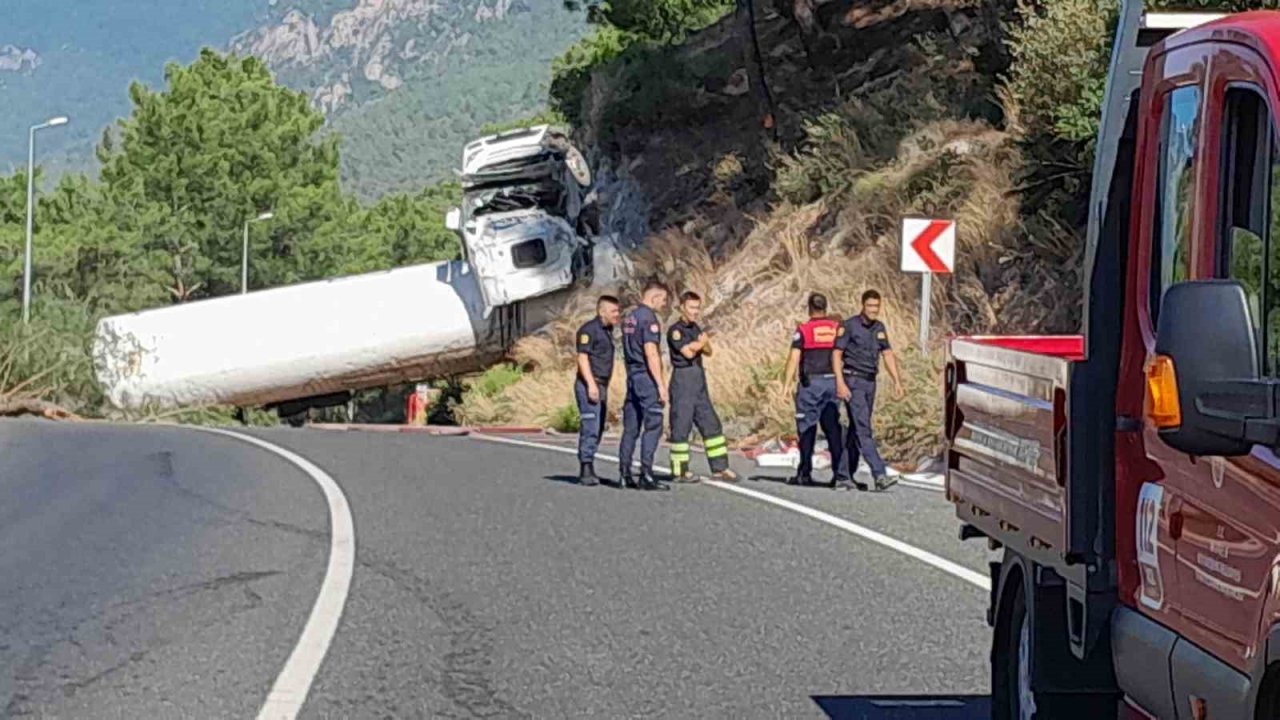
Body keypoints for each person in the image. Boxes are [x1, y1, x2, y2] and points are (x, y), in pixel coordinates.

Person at [833, 289, 905, 492]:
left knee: (856, 429)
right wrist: (840, 382)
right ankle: (879, 473)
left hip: (869, 382)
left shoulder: (879, 328)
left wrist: (897, 381)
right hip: (852, 380)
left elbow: (888, 353)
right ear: (863, 306)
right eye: (870, 306)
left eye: (877, 306)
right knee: (864, 428)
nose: (874, 310)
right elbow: (836, 354)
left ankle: (843, 476)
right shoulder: (850, 326)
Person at [666, 291, 739, 483]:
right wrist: (701, 342)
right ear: (682, 307)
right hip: (683, 380)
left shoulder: (695, 327)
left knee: (711, 424)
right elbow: (688, 353)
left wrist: (701, 344)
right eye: (691, 307)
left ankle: (720, 467)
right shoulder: (676, 331)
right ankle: (680, 470)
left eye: (697, 308)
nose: (695, 312)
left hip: (698, 379)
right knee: (681, 426)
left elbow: (708, 351)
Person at [782, 293, 850, 488]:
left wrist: (786, 385)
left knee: (806, 428)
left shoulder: (804, 329)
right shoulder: (836, 329)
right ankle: (839, 475)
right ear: (825, 308)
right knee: (833, 429)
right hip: (833, 383)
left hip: (811, 384)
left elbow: (794, 358)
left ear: (809, 308)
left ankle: (804, 473)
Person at [618, 279, 670, 490]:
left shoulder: (629, 318)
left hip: (631, 376)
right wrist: (660, 385)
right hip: (646, 378)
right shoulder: (649, 319)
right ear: (654, 297)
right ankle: (646, 474)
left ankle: (624, 473)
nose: (664, 304)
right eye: (663, 299)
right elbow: (651, 352)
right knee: (653, 425)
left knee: (630, 428)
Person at [574, 294, 621, 486]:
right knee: (591, 425)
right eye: (613, 311)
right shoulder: (588, 330)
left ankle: (590, 464)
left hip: (602, 384)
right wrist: (591, 384)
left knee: (599, 426)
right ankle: (586, 468)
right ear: (602, 311)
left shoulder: (608, 331)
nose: (617, 314)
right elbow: (582, 358)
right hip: (588, 384)